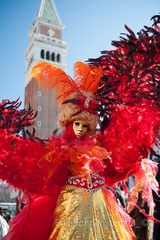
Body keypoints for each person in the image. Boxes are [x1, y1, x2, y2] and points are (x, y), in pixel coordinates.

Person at [0, 14, 159, 240]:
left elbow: (120, 159)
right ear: (68, 124)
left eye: (86, 124)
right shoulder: (59, 152)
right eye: (77, 123)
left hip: (103, 207)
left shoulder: (102, 147)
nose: (81, 129)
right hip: (70, 207)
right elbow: (38, 170)